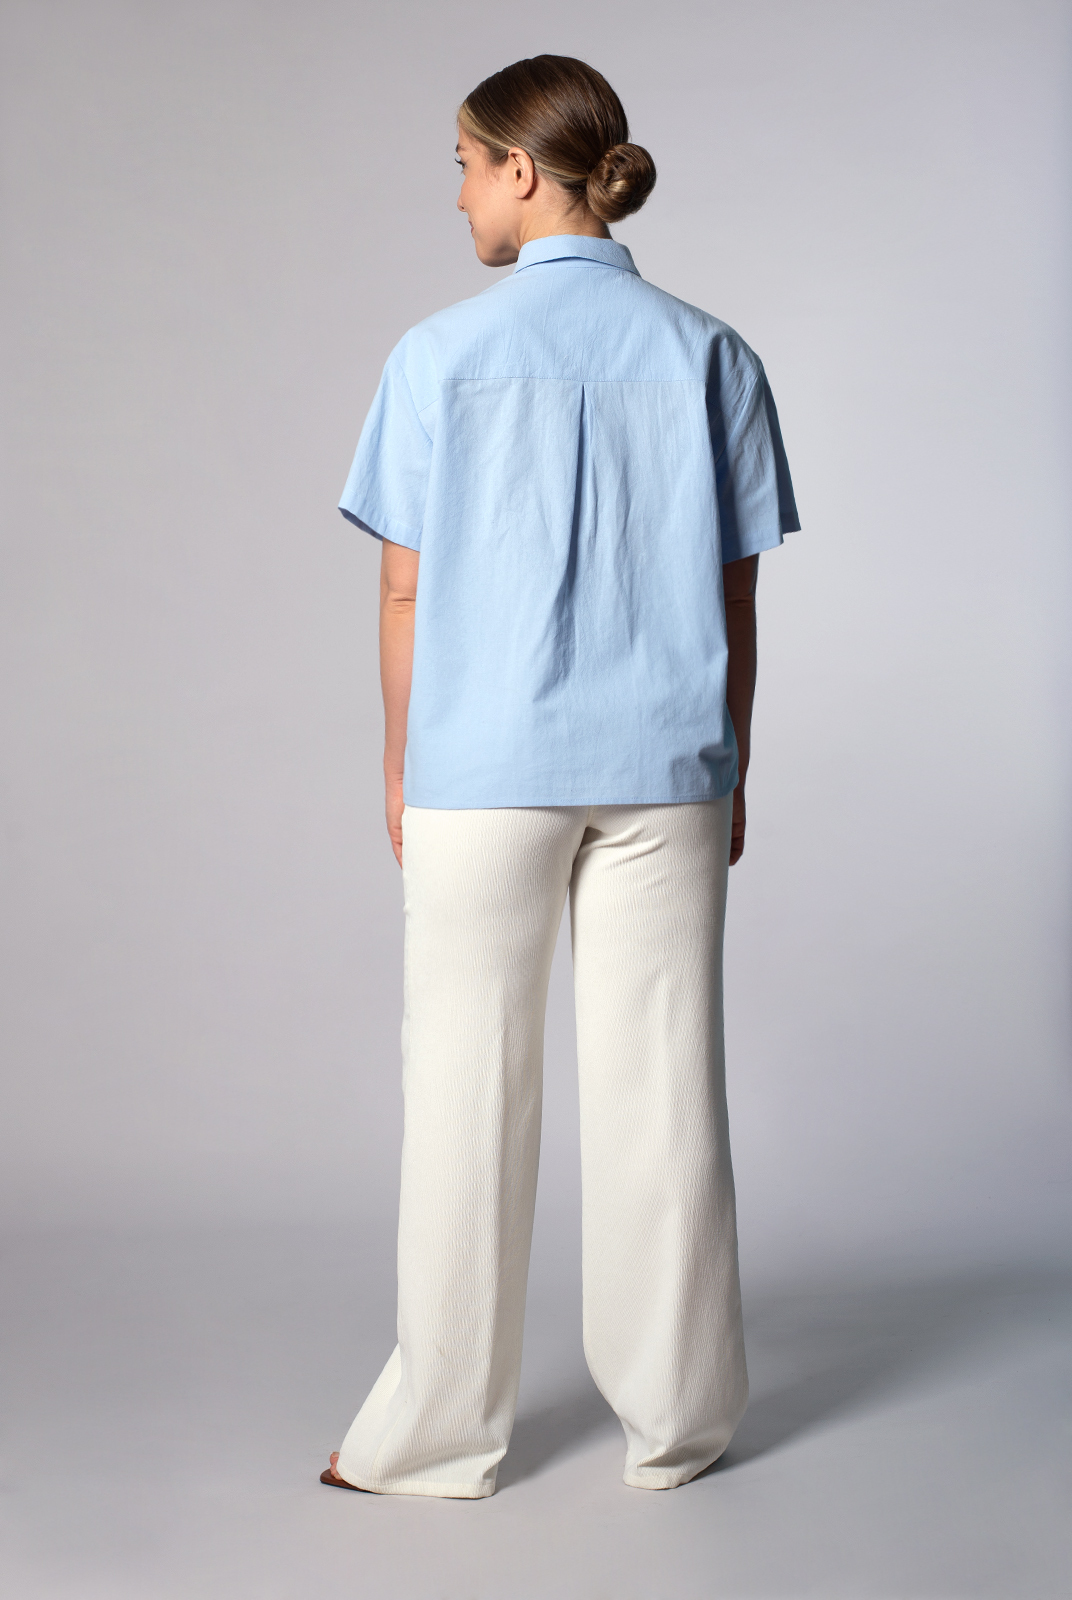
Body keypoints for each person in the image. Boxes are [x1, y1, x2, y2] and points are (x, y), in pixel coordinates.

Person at [322, 54, 799, 1499]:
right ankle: (680, 1425)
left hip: (483, 770)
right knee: (667, 1093)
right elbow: (735, 598)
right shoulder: (714, 353)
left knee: (465, 1093)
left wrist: (400, 765)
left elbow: (405, 594)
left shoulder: (436, 355)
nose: (461, 196)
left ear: (523, 172)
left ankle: (440, 1436)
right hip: (669, 767)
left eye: (467, 167)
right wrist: (730, 761)